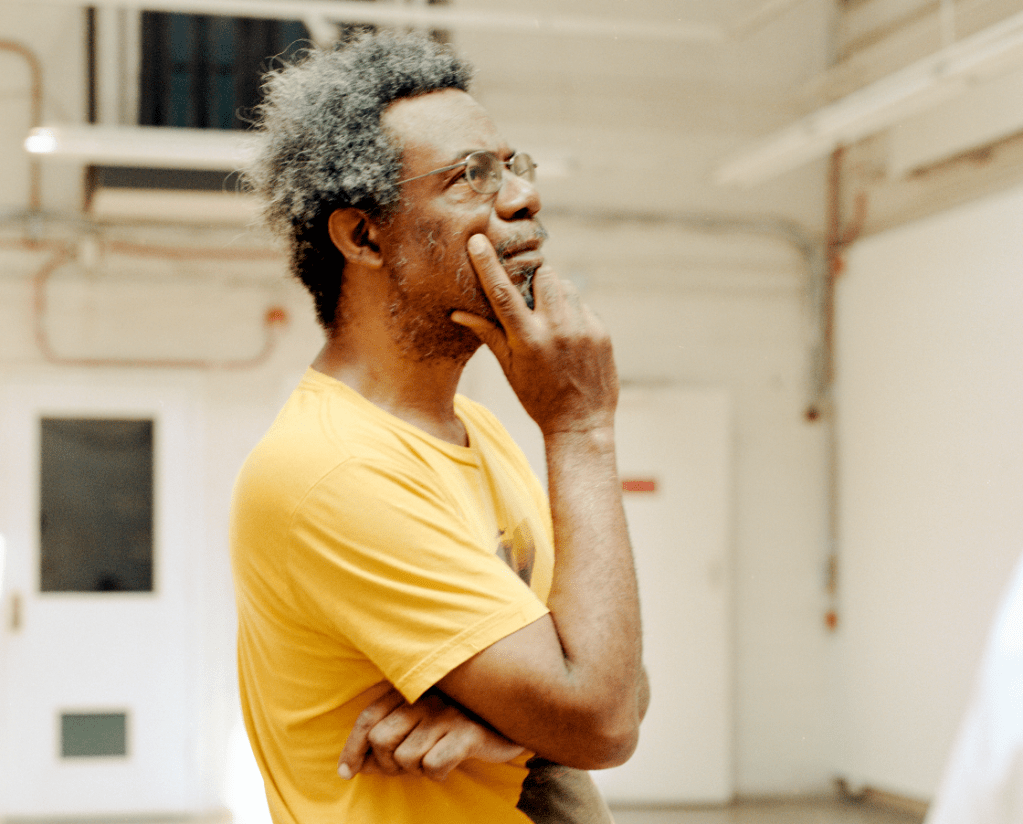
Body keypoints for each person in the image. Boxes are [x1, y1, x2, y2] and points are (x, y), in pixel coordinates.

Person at [230, 29, 648, 824]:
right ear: (362, 235)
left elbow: (616, 673)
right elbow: (603, 719)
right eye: (471, 177)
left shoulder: (477, 433)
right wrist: (582, 429)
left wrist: (498, 718)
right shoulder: (331, 471)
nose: (522, 198)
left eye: (513, 165)